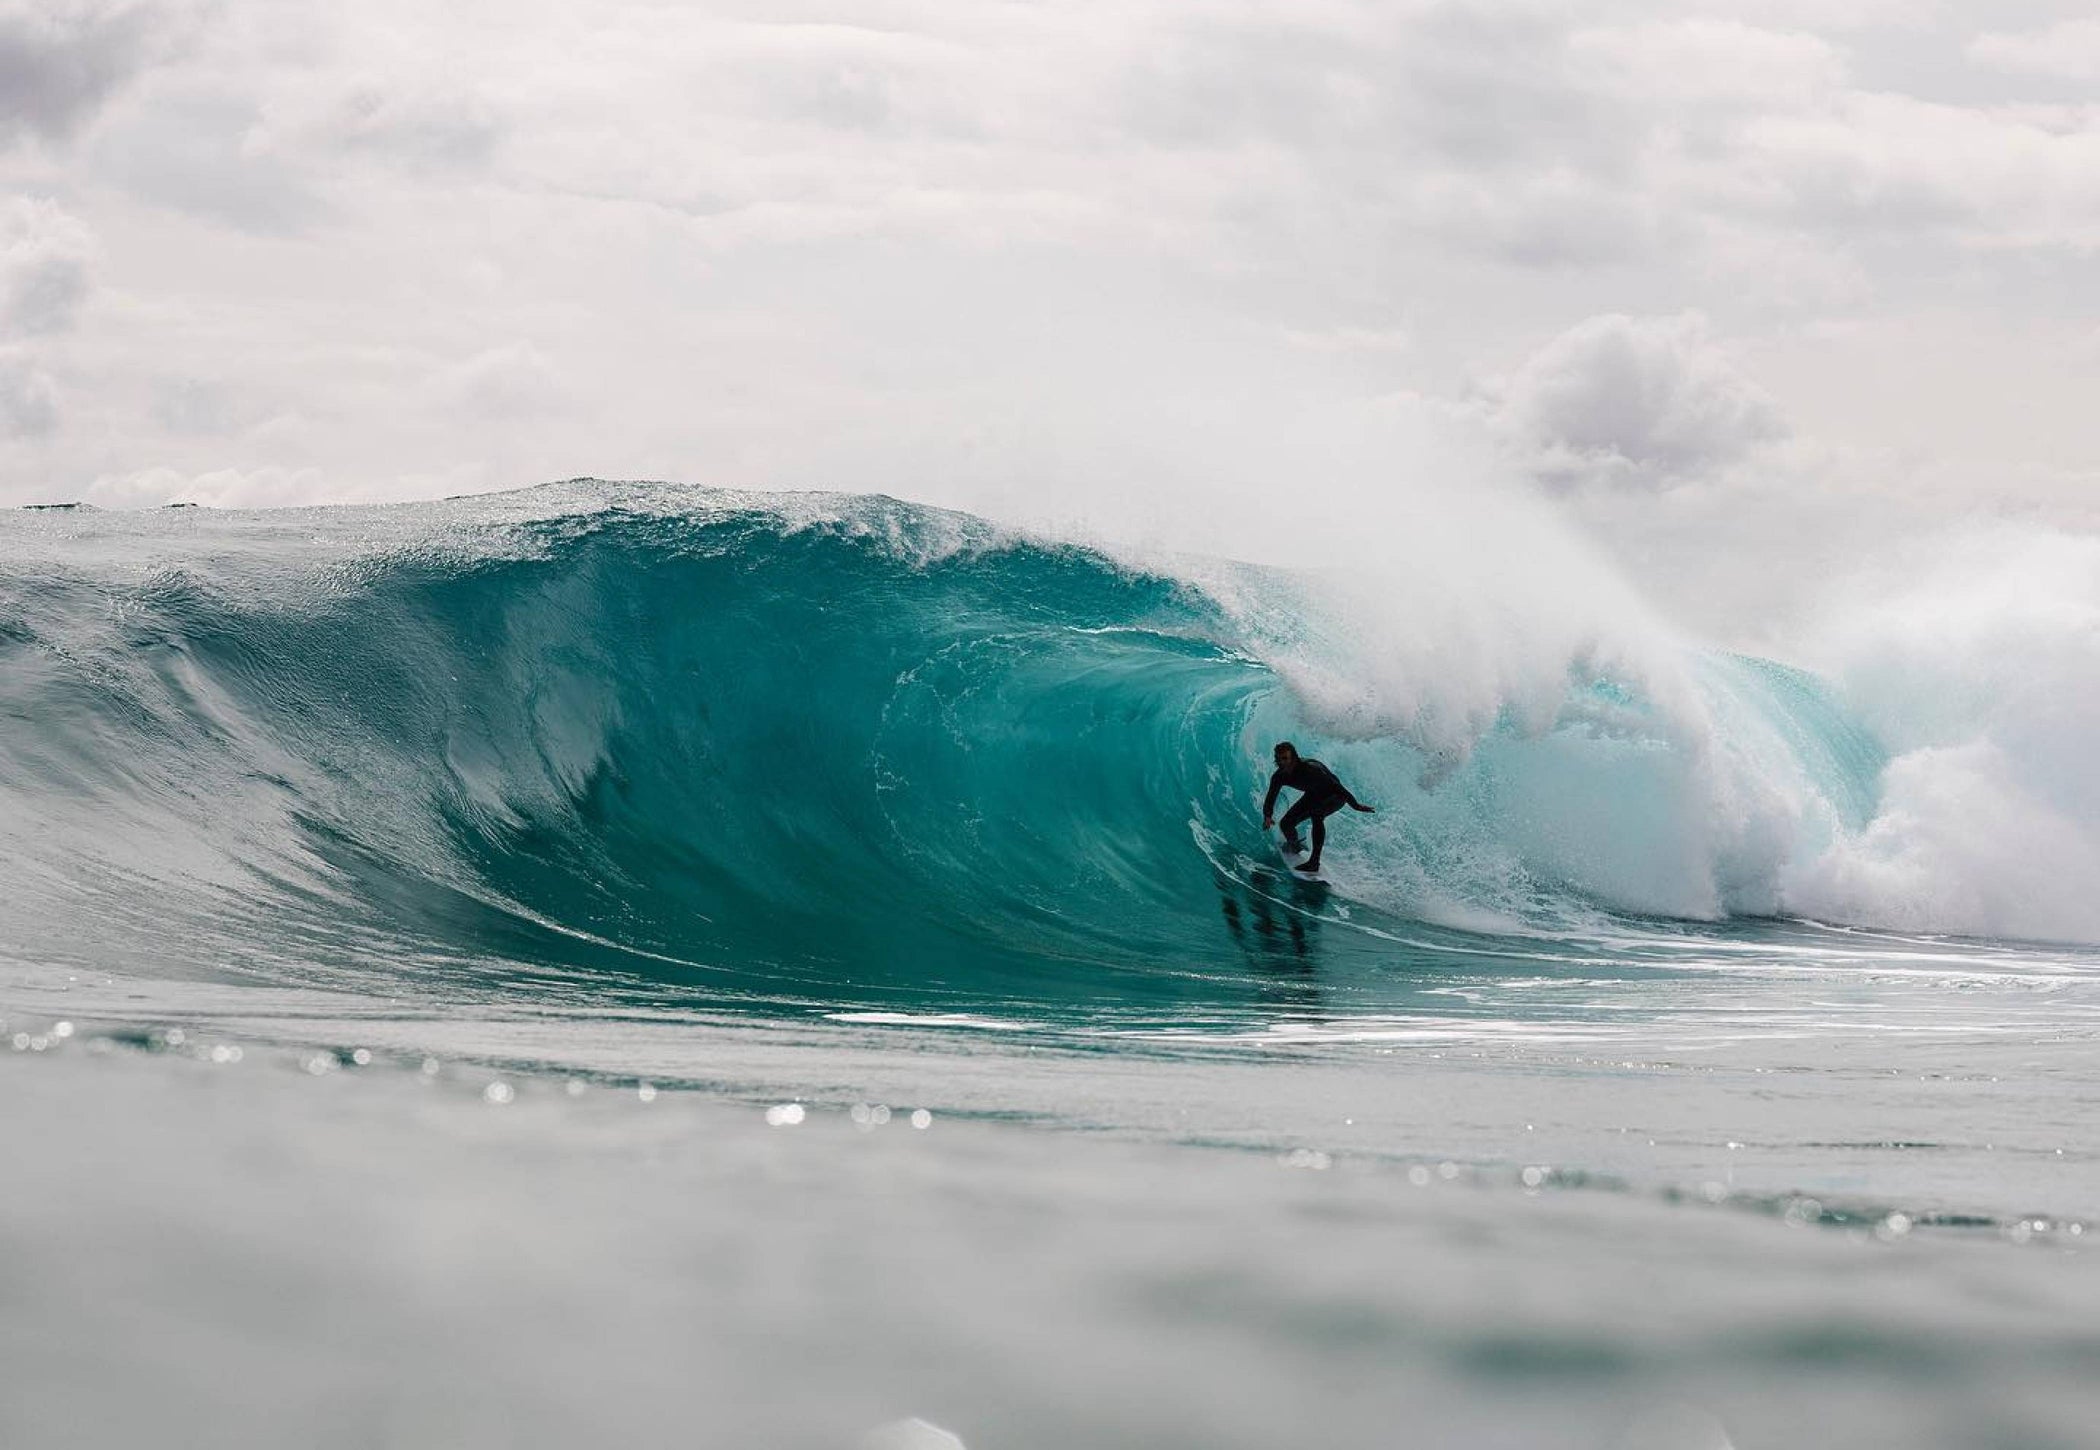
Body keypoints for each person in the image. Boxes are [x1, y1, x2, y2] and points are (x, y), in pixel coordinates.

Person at [1261, 741, 1374, 874]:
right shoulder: (1279, 776)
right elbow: (1271, 796)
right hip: (1314, 794)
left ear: (1294, 757)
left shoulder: (1311, 769)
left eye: (1285, 758)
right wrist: (1267, 815)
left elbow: (1336, 786)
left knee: (1317, 815)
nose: (1282, 762)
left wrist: (1355, 805)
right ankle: (1295, 845)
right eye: (1279, 759)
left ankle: (1314, 863)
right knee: (1286, 823)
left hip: (1335, 795)